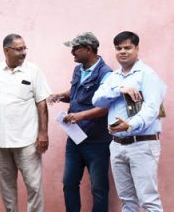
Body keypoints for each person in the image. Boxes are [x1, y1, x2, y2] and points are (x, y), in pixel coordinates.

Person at [0, 34, 50, 212]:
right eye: (19, 49)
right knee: (7, 187)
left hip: (27, 142)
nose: (23, 52)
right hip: (1, 142)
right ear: (6, 50)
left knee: (34, 186)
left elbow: (42, 103)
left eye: (24, 48)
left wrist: (43, 133)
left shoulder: (33, 71)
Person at [93, 31, 167, 212]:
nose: (123, 51)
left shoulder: (147, 74)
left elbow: (152, 109)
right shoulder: (113, 77)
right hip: (117, 145)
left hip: (142, 144)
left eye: (127, 47)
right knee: (127, 201)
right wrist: (120, 90)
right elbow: (97, 100)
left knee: (148, 200)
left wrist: (131, 124)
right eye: (119, 48)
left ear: (137, 49)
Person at [48, 32, 113, 212]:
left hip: (96, 141)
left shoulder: (106, 74)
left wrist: (80, 116)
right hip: (75, 139)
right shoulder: (78, 69)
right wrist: (60, 95)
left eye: (75, 49)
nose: (72, 53)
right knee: (69, 183)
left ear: (88, 49)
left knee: (98, 188)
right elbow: (75, 92)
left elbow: (106, 107)